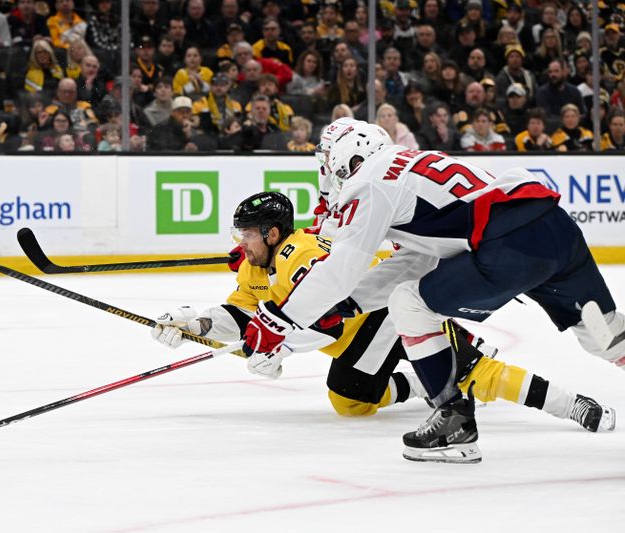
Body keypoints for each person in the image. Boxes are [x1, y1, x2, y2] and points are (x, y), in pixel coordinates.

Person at [240, 120, 624, 463]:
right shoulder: (410, 165)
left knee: (408, 305)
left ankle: (454, 421)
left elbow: (342, 267)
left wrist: (280, 320)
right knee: (605, 336)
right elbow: (416, 262)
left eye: (327, 158)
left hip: (506, 247)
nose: (326, 170)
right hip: (553, 227)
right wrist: (348, 304)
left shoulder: (369, 180)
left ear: (347, 153)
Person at [151, 190, 616, 432]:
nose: (241, 242)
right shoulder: (255, 268)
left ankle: (570, 404)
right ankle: (425, 383)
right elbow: (240, 318)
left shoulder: (299, 254)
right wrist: (193, 325)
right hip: (358, 335)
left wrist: (281, 348)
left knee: (471, 373)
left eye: (247, 234)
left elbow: (321, 318)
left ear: (272, 234)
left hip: (383, 311)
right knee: (350, 398)